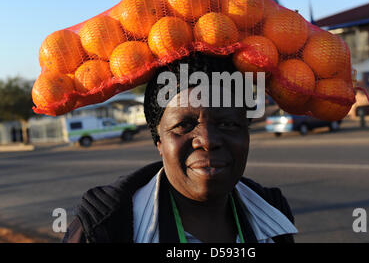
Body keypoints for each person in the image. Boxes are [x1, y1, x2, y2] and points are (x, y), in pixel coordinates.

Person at [62, 52, 297, 243]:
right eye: (184, 125)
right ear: (159, 141)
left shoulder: (274, 211)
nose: (207, 140)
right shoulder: (102, 230)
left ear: (246, 133)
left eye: (227, 123)